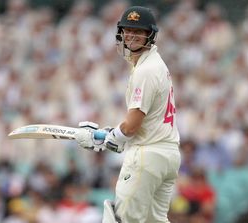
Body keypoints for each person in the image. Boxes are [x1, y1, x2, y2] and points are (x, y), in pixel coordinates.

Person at [75, 5, 181, 223]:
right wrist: (113, 134)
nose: (131, 36)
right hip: (167, 154)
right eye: (128, 30)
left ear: (150, 35)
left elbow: (132, 126)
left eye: (139, 31)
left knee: (123, 220)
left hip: (147, 155)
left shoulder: (146, 70)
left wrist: (113, 138)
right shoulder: (155, 65)